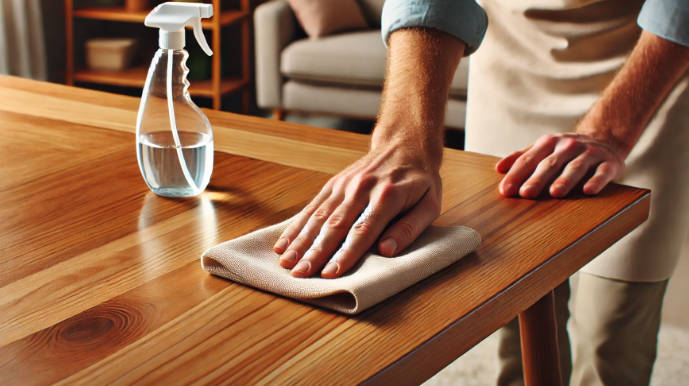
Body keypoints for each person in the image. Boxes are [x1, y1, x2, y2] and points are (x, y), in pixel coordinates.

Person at [273, 0, 689, 384]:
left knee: (612, 340)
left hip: (650, 68)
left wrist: (611, 131)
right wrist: (402, 139)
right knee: (518, 328)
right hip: (512, 63)